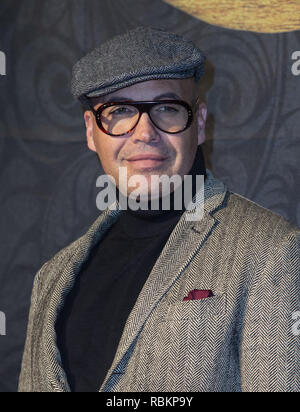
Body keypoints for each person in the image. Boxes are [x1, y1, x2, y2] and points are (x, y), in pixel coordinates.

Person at [19, 26, 300, 393]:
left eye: (167, 109)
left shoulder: (271, 252)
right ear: (91, 132)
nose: (144, 133)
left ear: (198, 124)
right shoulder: (51, 278)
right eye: (120, 111)